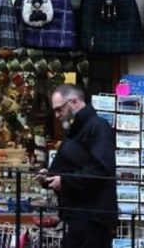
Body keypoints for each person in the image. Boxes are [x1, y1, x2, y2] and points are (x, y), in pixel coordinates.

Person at [37, 83, 116, 248]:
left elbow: (101, 169)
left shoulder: (97, 127)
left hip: (93, 216)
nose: (57, 115)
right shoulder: (76, 130)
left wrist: (64, 181)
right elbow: (68, 164)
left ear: (74, 102)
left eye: (59, 109)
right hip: (79, 214)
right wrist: (49, 176)